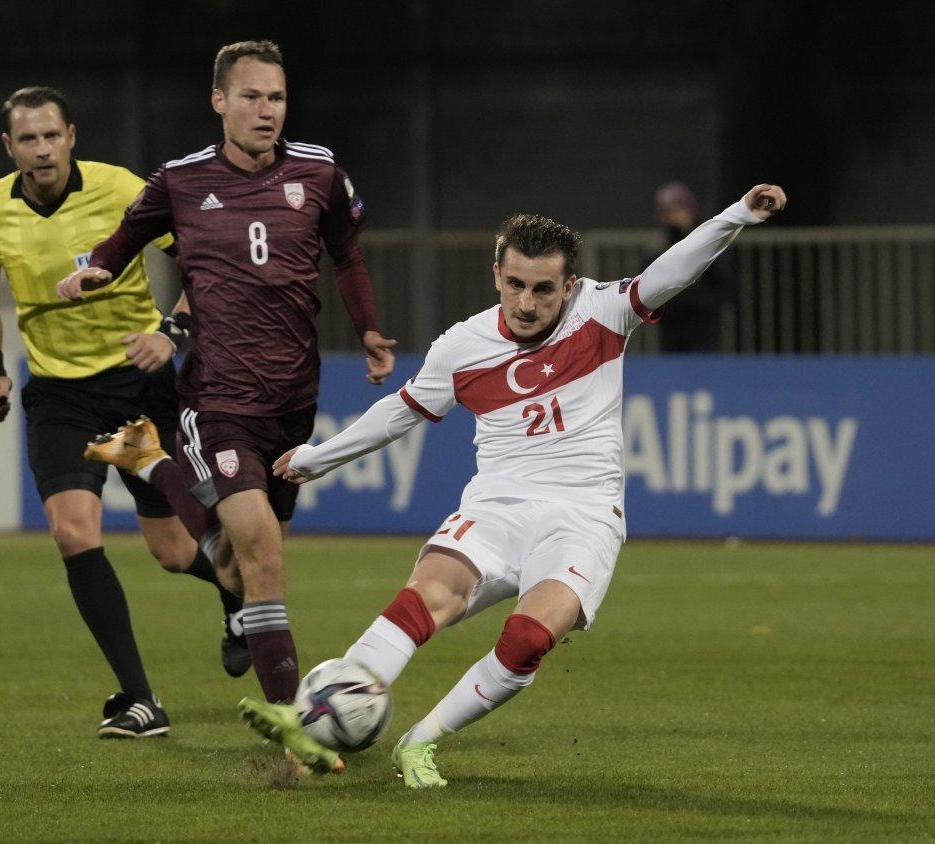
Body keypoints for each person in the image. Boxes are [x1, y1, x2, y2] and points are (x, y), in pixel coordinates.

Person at [235, 183, 788, 781]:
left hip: (583, 517)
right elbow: (400, 411)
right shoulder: (463, 345)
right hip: (497, 506)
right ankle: (318, 719)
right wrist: (320, 457)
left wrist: (737, 215)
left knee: (527, 638)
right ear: (497, 273)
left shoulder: (603, 311)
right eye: (516, 284)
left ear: (568, 287)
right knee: (426, 596)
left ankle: (420, 741)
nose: (527, 303)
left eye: (544, 289)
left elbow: (671, 271)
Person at [56, 40, 397, 764]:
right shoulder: (181, 180)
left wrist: (368, 327)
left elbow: (349, 253)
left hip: (294, 400)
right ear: (219, 102)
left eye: (275, 97)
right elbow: (126, 236)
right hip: (216, 398)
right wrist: (94, 271)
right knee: (266, 560)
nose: (265, 111)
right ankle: (294, 732)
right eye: (250, 96)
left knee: (241, 568)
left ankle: (147, 464)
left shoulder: (320, 170)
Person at [0, 86, 244, 738]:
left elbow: (203, 263)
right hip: (59, 396)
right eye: (27, 139)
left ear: (72, 135)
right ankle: (142, 702)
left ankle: (235, 590)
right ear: (10, 147)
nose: (42, 148)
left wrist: (170, 333)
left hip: (133, 391)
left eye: (51, 135)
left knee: (171, 550)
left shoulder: (121, 191)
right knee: (72, 533)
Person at [650, 181, 739, 352]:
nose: (675, 215)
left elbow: (724, 284)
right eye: (668, 210)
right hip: (672, 328)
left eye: (679, 208)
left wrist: (702, 302)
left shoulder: (709, 240)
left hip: (704, 326)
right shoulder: (657, 248)